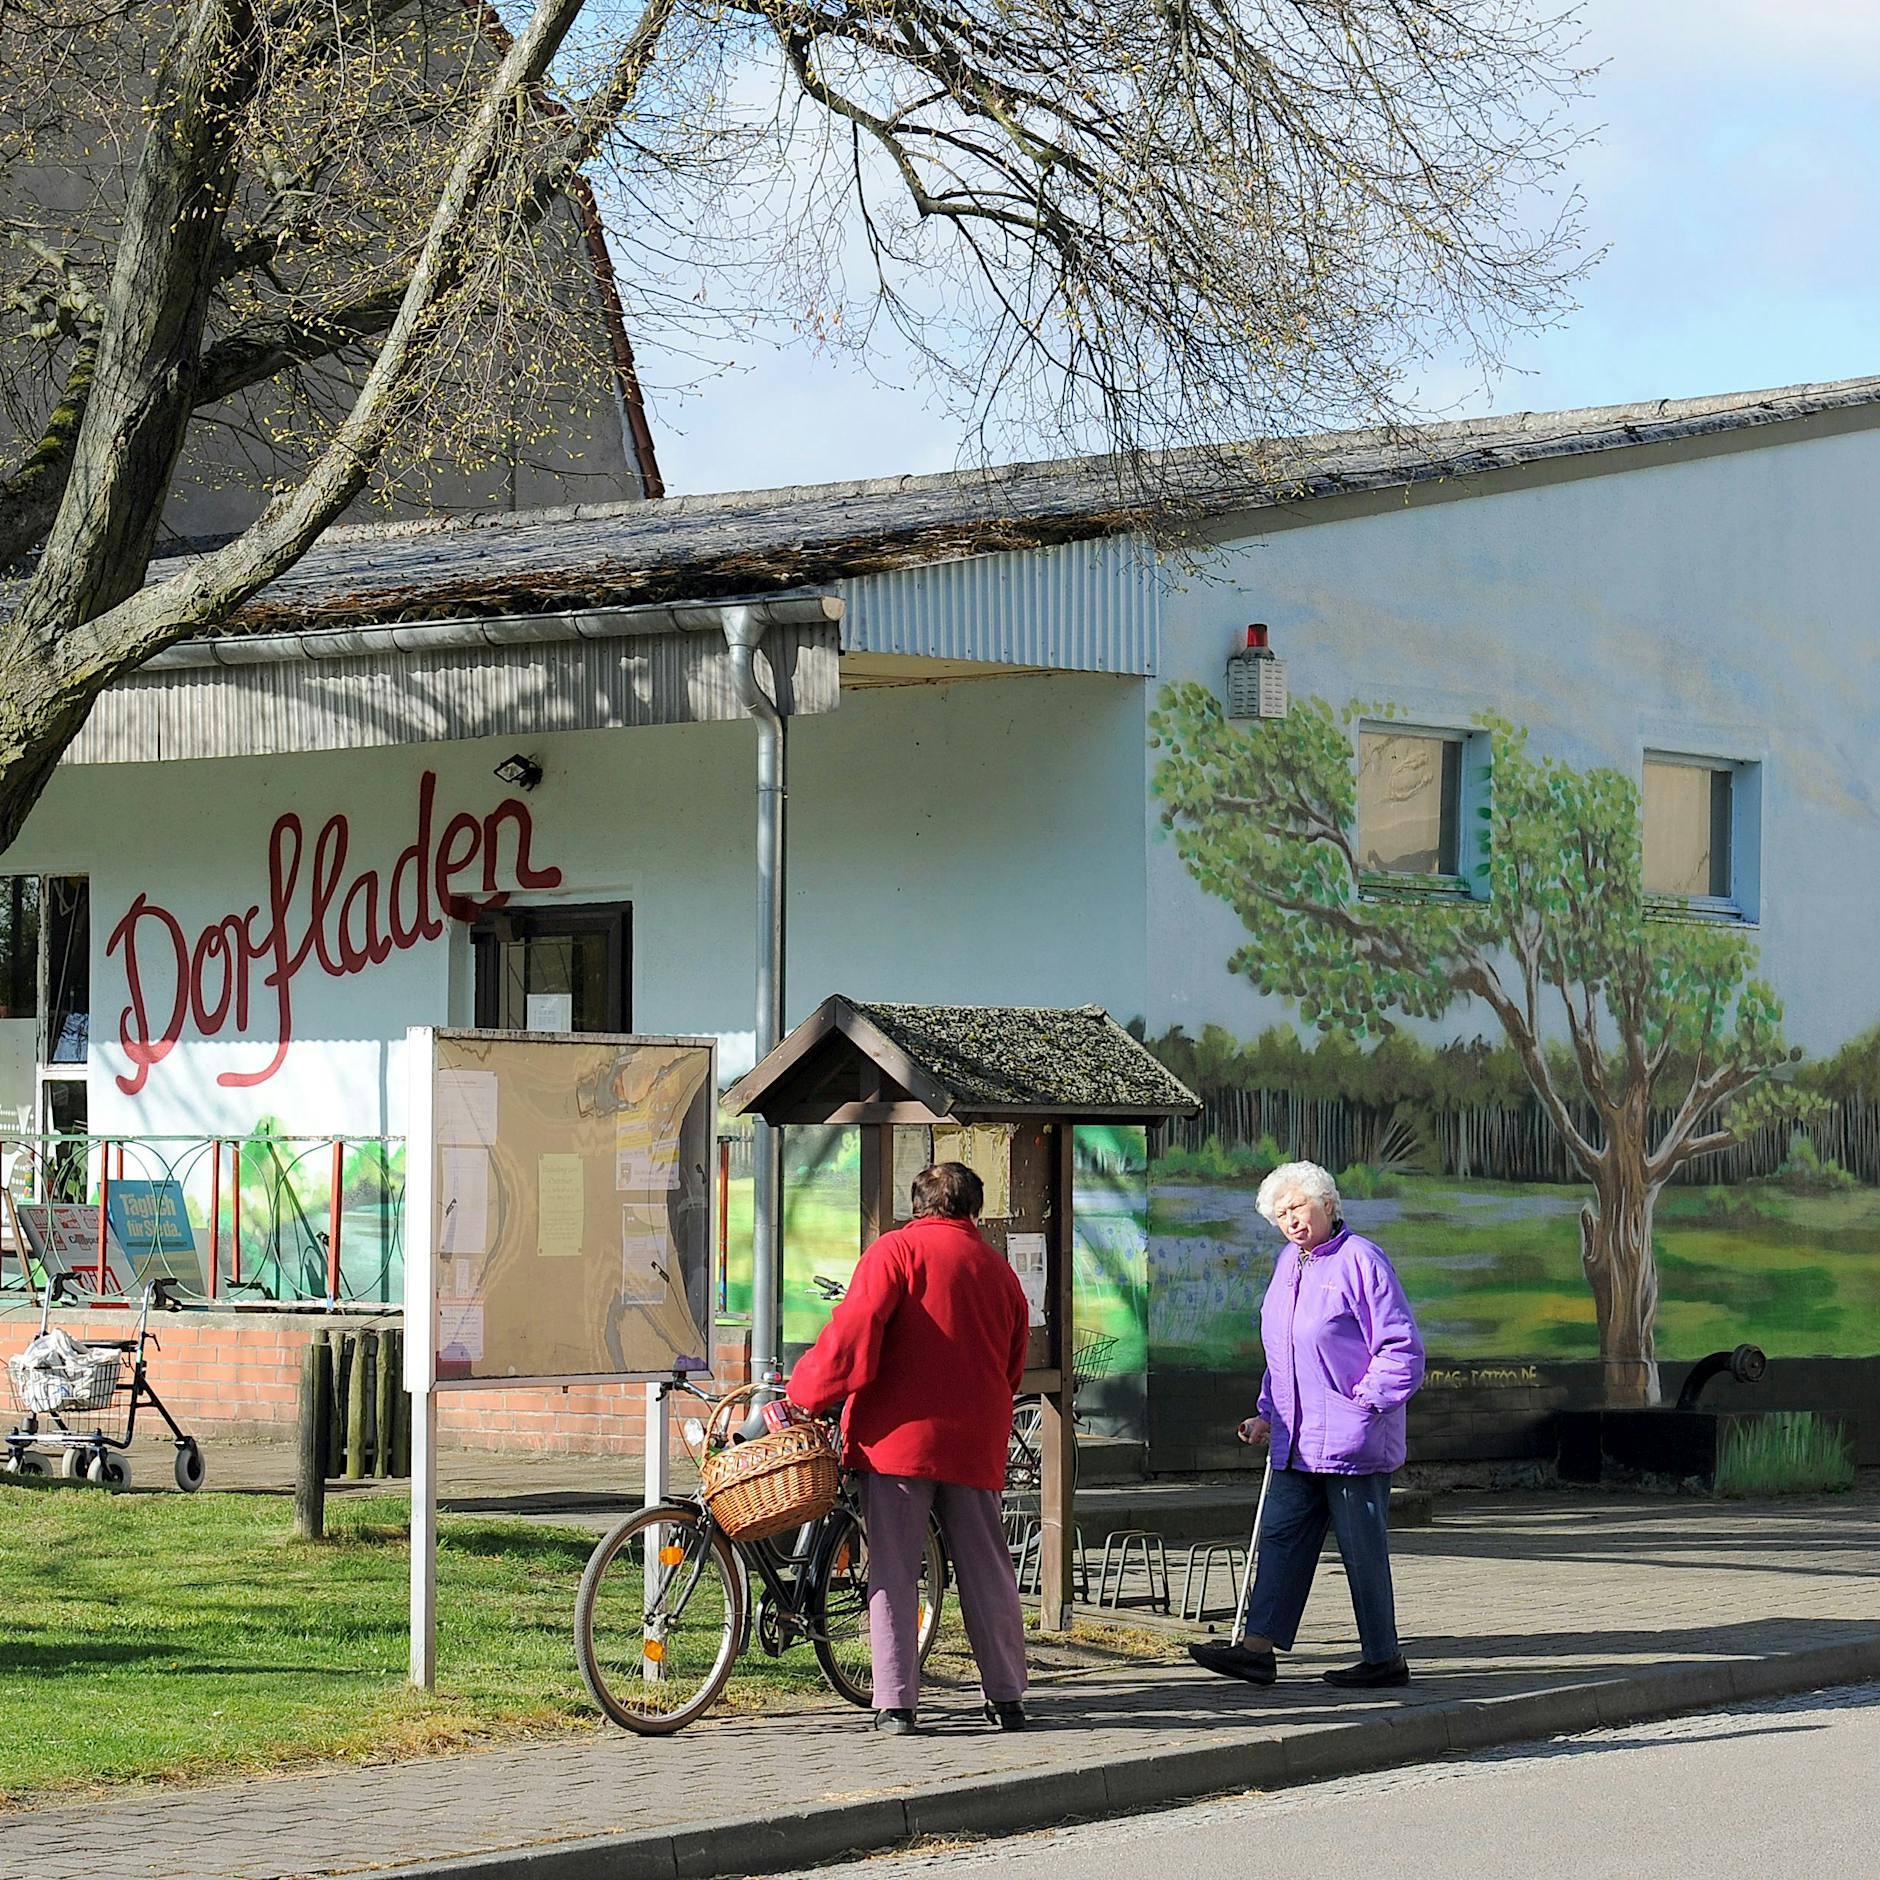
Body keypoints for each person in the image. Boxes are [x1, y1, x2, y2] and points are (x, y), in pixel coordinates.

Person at [787, 1159, 1032, 1735]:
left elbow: (852, 1339)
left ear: (918, 1205)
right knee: (986, 1566)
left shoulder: (894, 1254)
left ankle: (896, 1701)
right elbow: (1013, 1364)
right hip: (974, 1441)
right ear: (974, 1210)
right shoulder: (998, 1271)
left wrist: (807, 1395)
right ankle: (1006, 1696)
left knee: (895, 1568)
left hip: (897, 1442)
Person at [1191, 1159, 1425, 1690]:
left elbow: (1402, 1348)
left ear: (1327, 1203)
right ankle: (1256, 1651)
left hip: (1352, 1441)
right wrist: (1266, 1415)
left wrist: (1365, 1403)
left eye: (1296, 1206)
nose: (1289, 1220)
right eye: (1279, 1214)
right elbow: (1283, 1352)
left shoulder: (1362, 1260)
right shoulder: (1288, 1264)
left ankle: (1384, 1659)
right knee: (1280, 1539)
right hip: (1295, 1441)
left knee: (1360, 1551)